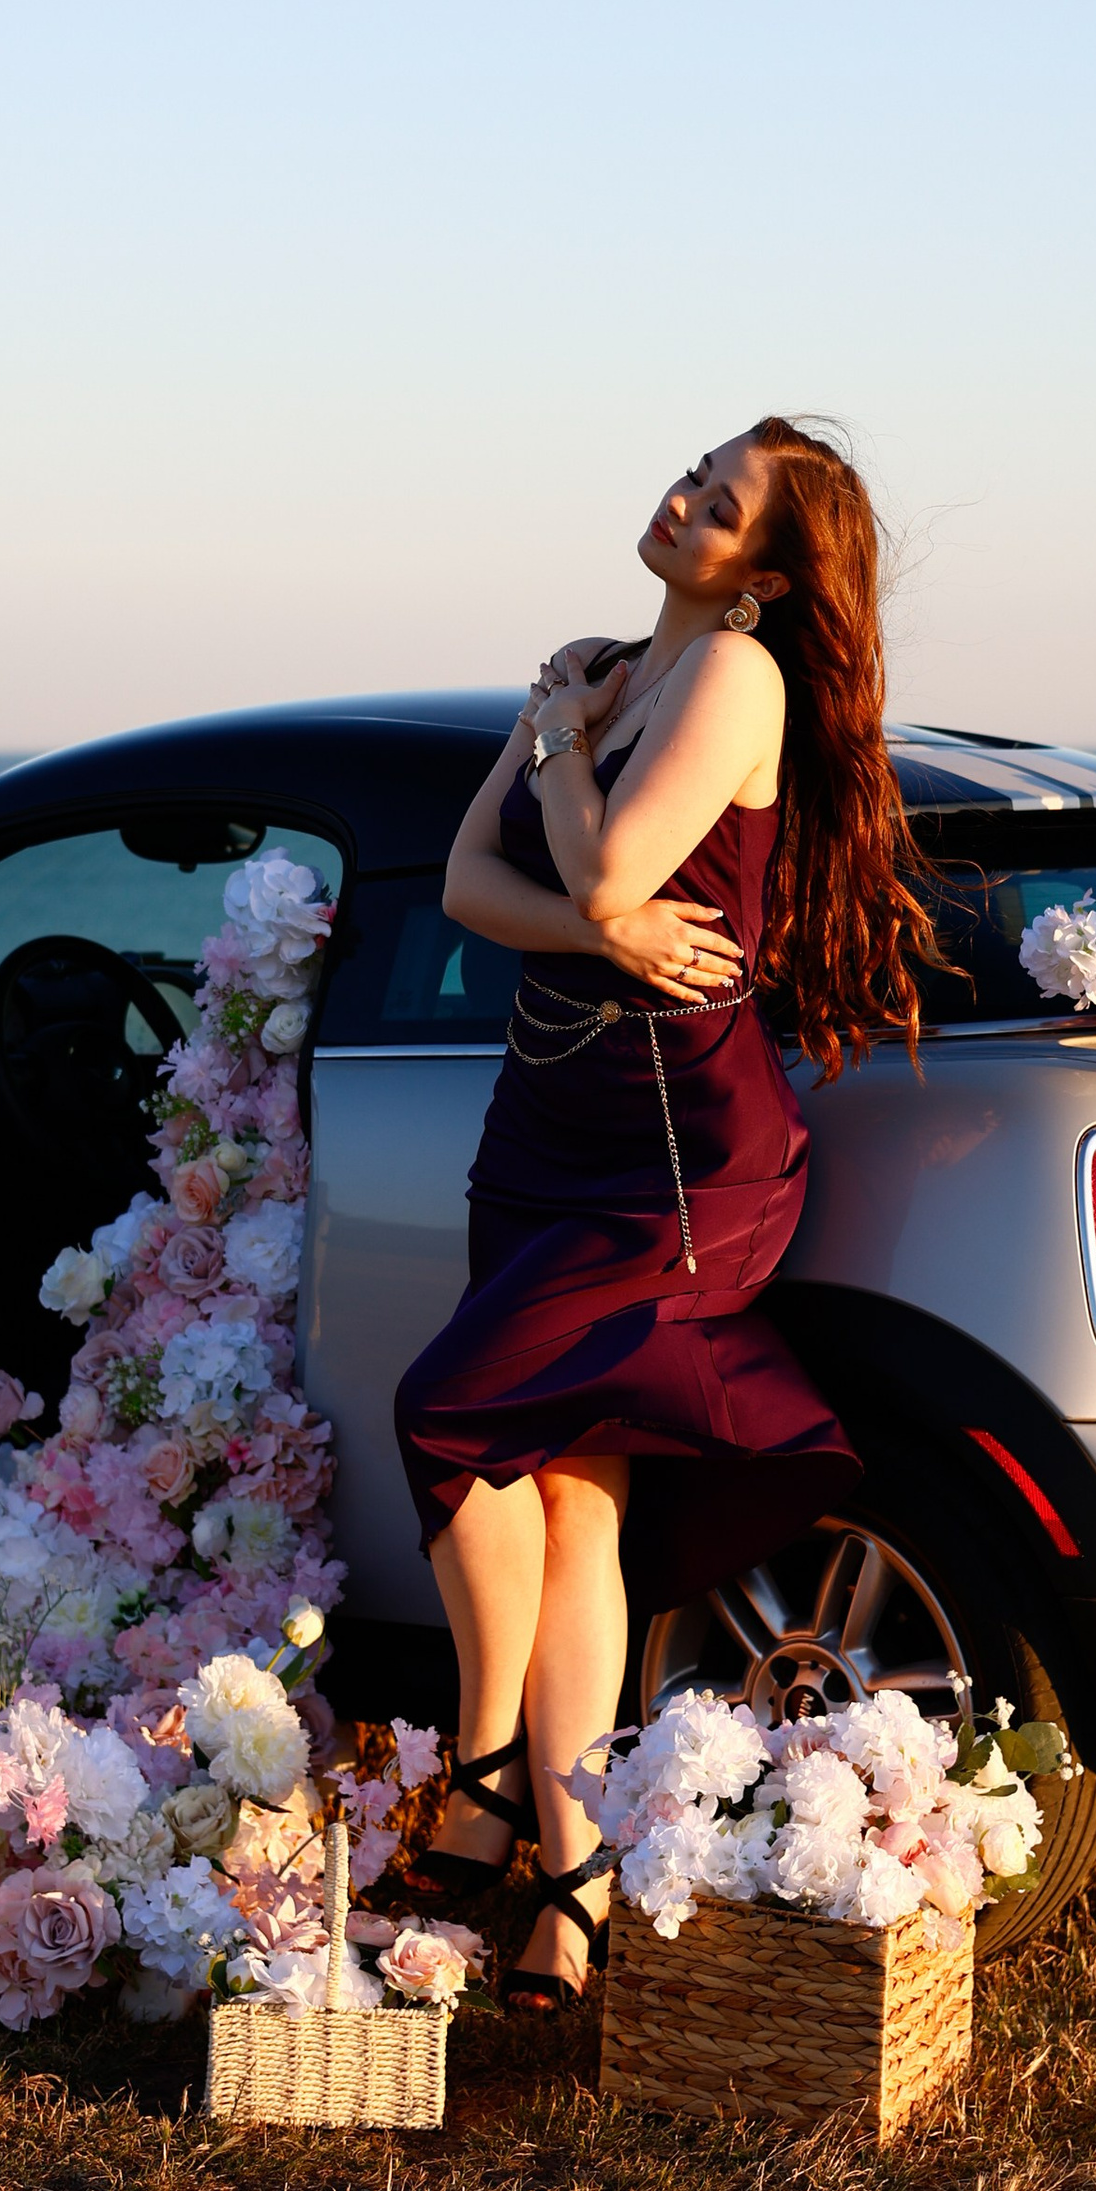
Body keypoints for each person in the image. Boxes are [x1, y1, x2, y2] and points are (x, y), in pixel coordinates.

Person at [392, 416, 942, 2005]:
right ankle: (570, 1902)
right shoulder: (594, 668)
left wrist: (572, 786)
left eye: (721, 508)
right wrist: (602, 896)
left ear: (767, 578)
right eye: (691, 476)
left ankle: (490, 1769)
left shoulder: (730, 682)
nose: (681, 503)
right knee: (573, 1502)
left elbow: (618, 866)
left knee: (450, 1415)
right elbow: (469, 892)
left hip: (676, 1156)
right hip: (543, 1129)